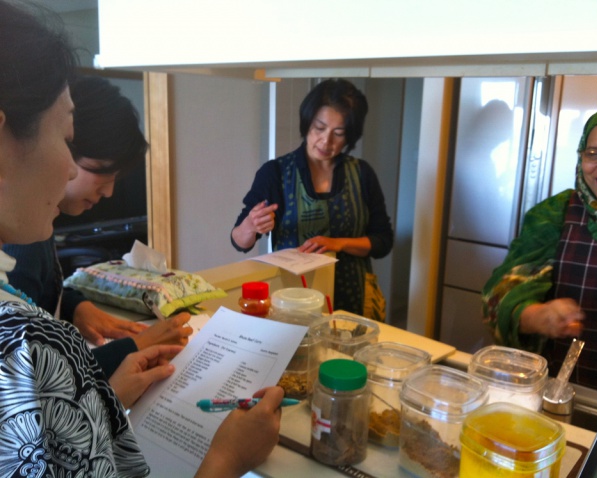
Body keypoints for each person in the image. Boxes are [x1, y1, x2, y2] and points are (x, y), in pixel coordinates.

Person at [0, 2, 282, 476]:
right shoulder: (29, 345)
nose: (69, 168)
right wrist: (228, 457)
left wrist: (99, 398)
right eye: (65, 138)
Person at [3, 75, 192, 377]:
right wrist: (136, 346)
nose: (109, 191)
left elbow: (38, 298)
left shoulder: (37, 226)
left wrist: (74, 305)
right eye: (102, 171)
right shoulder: (22, 240)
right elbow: (33, 377)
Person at [482, 100, 597, 401]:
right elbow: (497, 298)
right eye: (593, 153)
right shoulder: (556, 213)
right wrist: (537, 316)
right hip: (561, 400)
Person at [231, 79, 393, 317]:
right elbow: (239, 241)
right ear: (307, 122)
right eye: (319, 128)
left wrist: (340, 243)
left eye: (339, 133)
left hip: (353, 300)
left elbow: (383, 241)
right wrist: (250, 224)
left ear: (350, 135)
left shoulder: (361, 173)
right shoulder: (276, 173)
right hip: (292, 302)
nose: (326, 141)